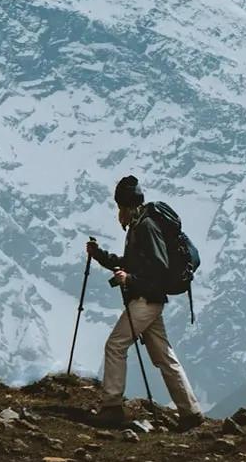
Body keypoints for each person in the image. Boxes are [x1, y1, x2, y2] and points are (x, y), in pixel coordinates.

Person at [85, 175, 204, 430]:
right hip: (149, 300)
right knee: (164, 357)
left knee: (115, 345)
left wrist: (130, 279)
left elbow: (158, 270)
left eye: (119, 207)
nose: (119, 213)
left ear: (126, 206)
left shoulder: (145, 227)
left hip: (146, 301)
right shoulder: (141, 225)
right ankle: (190, 411)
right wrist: (100, 256)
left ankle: (112, 406)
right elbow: (132, 263)